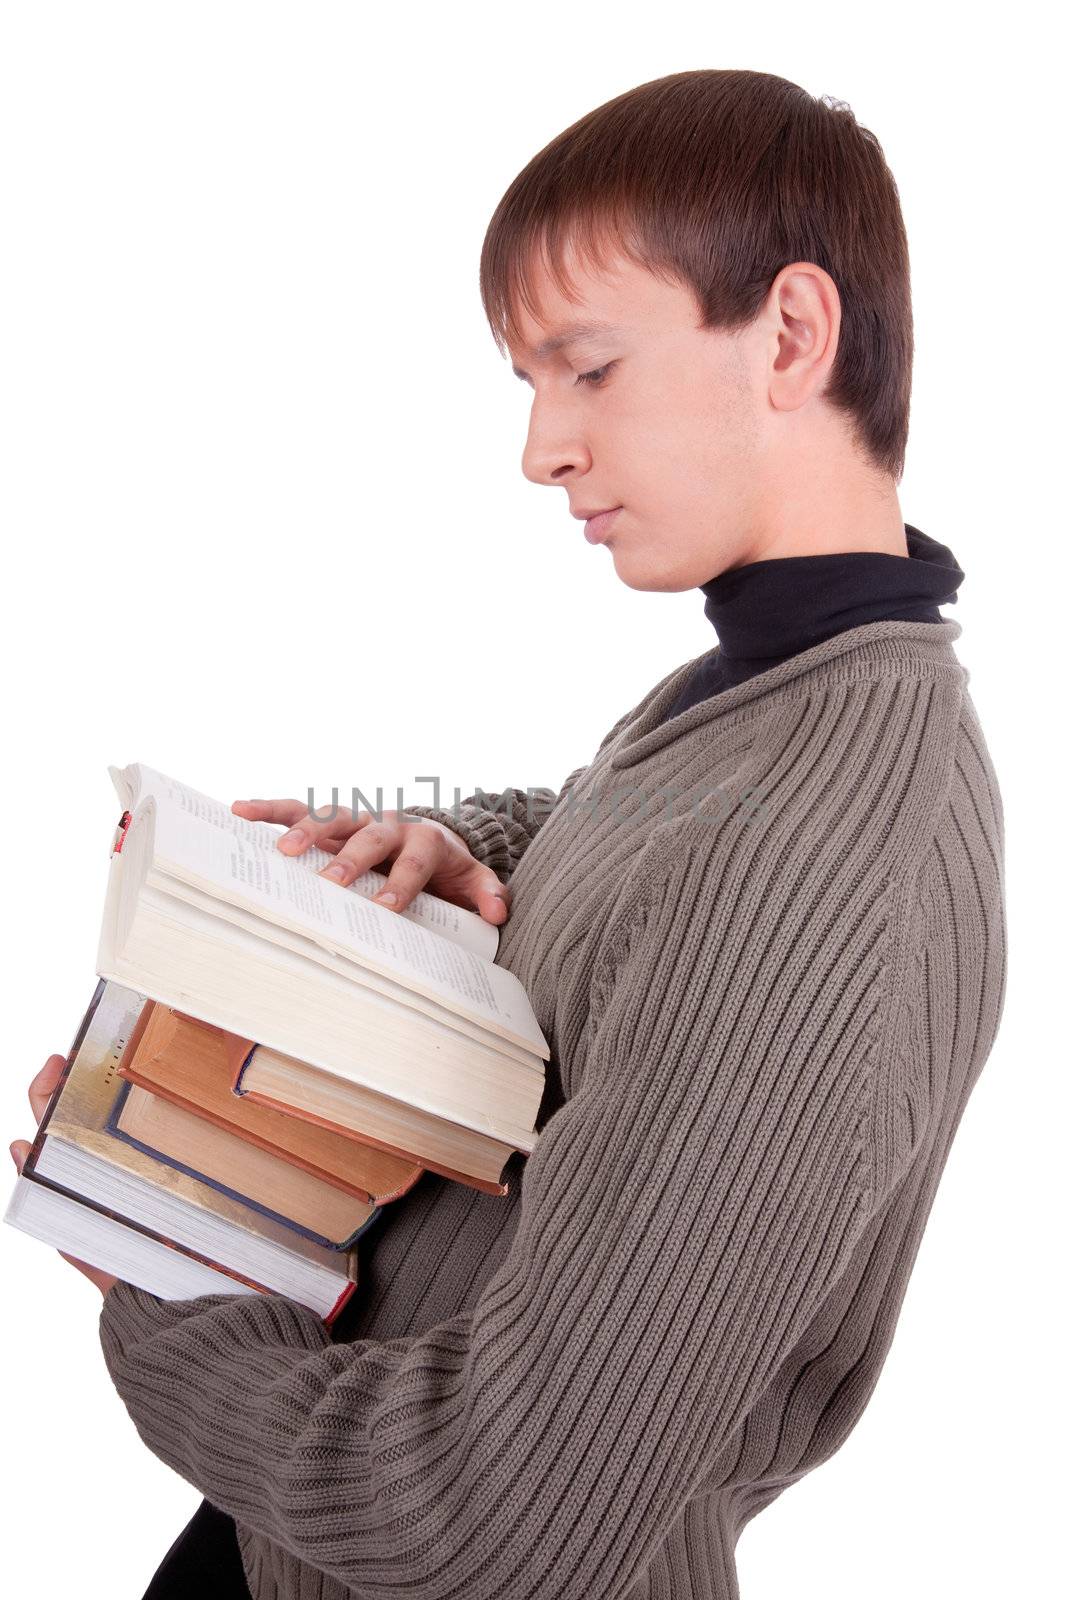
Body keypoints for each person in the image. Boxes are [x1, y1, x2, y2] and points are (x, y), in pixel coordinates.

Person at [11, 67, 1007, 1600]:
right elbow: (638, 834)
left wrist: (172, 1275)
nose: (541, 450)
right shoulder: (768, 684)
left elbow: (490, 1526)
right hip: (291, 1538)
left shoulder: (819, 860)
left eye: (587, 370)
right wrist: (470, 843)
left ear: (792, 336)